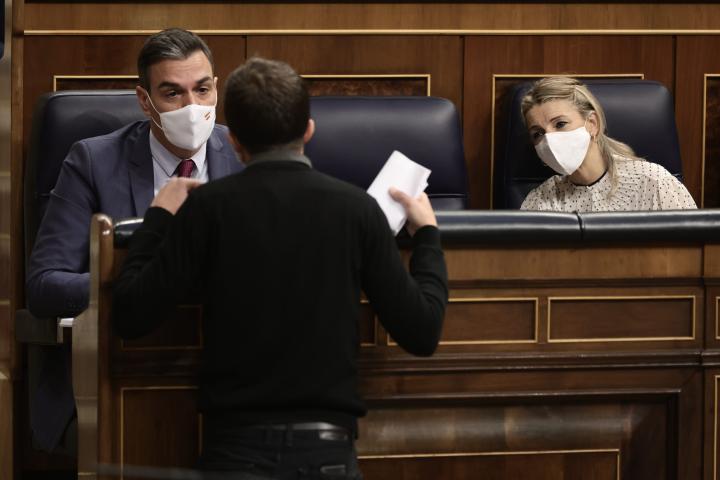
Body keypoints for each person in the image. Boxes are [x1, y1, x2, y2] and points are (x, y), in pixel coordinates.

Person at [112, 57, 448, 479]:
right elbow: (422, 331)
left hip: (235, 451)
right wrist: (428, 236)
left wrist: (159, 216)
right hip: (327, 450)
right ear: (308, 130)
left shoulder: (207, 208)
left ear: (234, 141)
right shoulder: (357, 210)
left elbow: (131, 314)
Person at [24, 28, 243, 453]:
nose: (192, 107)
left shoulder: (243, 152)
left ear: (217, 88)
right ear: (145, 100)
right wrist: (151, 285)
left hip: (227, 369)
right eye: (172, 93)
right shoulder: (94, 160)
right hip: (119, 371)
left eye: (202, 90)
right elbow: (45, 285)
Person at [519, 76, 697, 212]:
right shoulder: (539, 201)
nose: (549, 139)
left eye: (560, 124)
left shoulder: (653, 182)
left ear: (592, 124)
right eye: (538, 134)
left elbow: (693, 245)